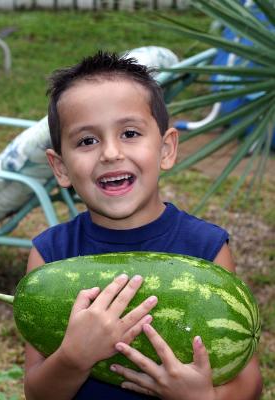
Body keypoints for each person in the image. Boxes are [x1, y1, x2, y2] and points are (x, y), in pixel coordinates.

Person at [24, 51, 263, 400]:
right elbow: (37, 392)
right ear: (60, 167)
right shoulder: (50, 256)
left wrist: (205, 397)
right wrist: (73, 359)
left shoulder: (207, 247)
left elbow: (249, 382)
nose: (110, 153)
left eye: (130, 133)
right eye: (87, 140)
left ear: (166, 149)